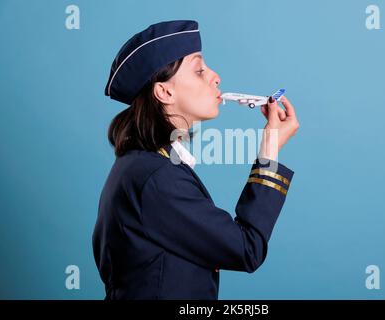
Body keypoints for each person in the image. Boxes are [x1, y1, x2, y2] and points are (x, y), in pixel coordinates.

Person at [93, 20, 300, 300]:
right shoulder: (156, 177)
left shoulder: (146, 166)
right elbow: (246, 249)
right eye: (199, 70)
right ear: (164, 92)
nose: (216, 77)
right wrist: (270, 151)